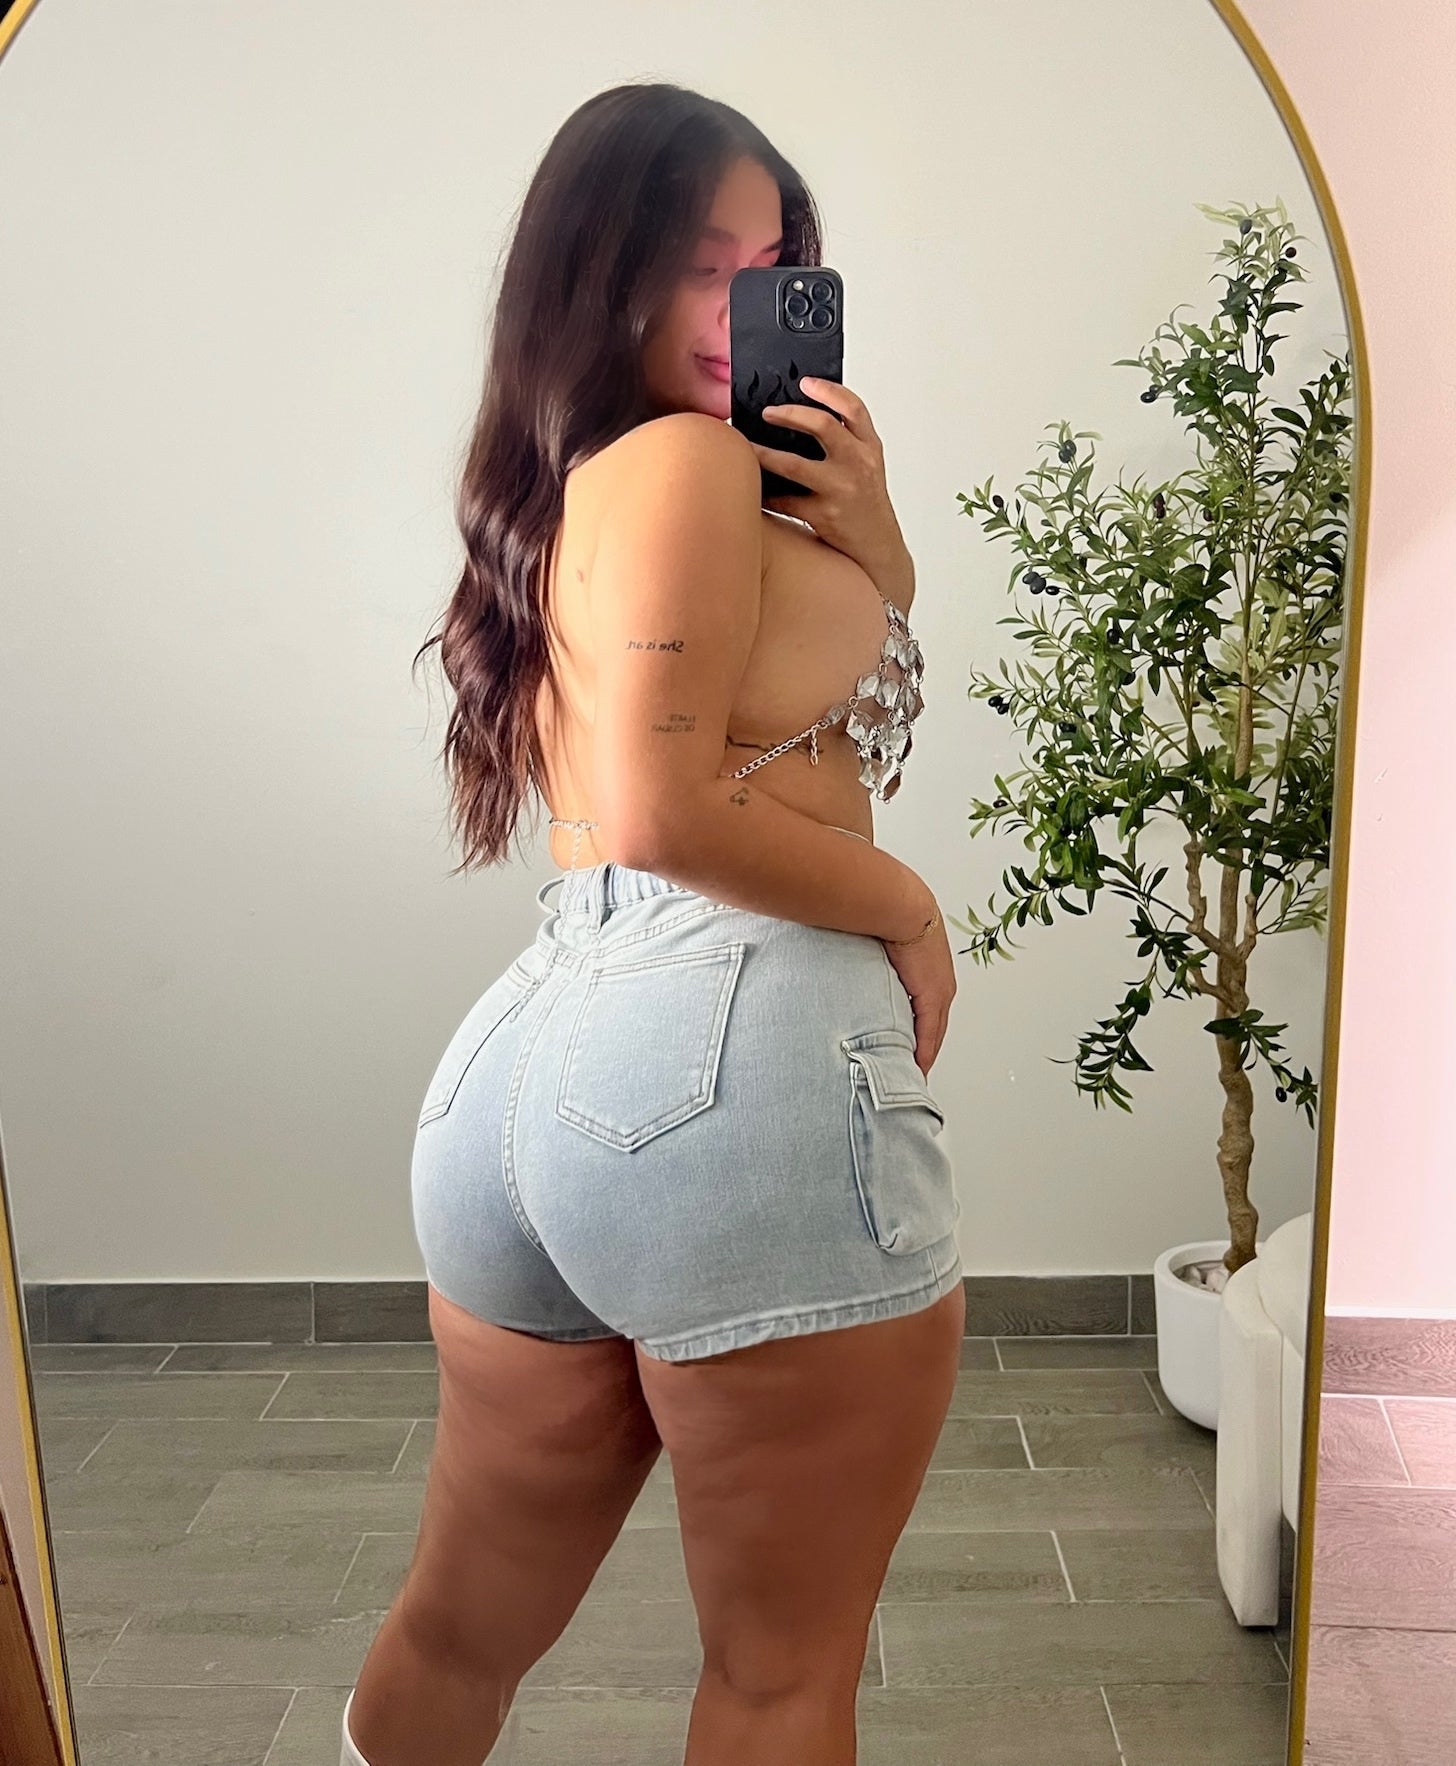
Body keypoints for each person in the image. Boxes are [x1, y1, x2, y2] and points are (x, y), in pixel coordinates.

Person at [342, 80, 964, 1766]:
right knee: (780, 1673)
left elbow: (719, 755)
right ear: (596, 271)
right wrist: (910, 911)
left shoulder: (589, 487)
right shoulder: (689, 465)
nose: (741, 306)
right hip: (728, 1062)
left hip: (522, 1075)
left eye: (772, 270)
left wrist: (876, 542)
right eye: (700, 262)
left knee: (457, 1627)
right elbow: (667, 809)